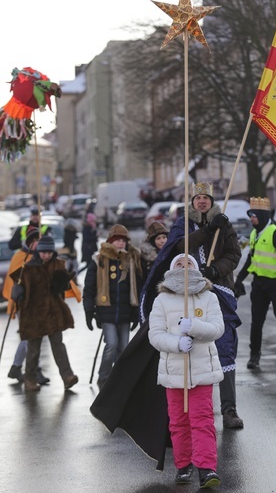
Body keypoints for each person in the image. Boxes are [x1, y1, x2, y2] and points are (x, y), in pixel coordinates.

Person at [141, 181, 244, 429]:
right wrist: (208, 231)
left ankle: (229, 408)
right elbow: (178, 247)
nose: (202, 202)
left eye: (206, 198)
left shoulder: (224, 223)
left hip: (217, 289)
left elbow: (234, 254)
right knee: (185, 345)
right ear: (192, 201)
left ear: (211, 201)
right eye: (198, 198)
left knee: (225, 346)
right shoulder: (182, 224)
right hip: (184, 292)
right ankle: (184, 408)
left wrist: (215, 270)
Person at [149, 254, 224, 488]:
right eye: (178, 265)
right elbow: (155, 335)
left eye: (188, 264)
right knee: (179, 422)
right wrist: (176, 343)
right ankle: (183, 465)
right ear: (171, 270)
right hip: (174, 373)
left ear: (196, 268)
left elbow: (217, 329)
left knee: (202, 420)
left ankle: (206, 468)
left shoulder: (208, 297)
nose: (183, 267)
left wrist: (196, 327)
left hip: (202, 371)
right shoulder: (161, 300)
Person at [234, 196, 276, 370]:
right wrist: (239, 279)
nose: (251, 218)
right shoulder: (255, 233)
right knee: (256, 323)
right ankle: (254, 357)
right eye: (250, 215)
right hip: (259, 285)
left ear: (263, 215)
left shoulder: (275, 233)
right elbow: (251, 258)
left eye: (254, 215)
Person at [9, 235, 79, 391]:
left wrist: (63, 282)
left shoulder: (57, 265)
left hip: (53, 312)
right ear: (38, 251)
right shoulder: (27, 269)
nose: (46, 255)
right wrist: (17, 291)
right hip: (34, 313)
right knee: (33, 349)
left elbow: (64, 288)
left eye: (49, 252)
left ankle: (67, 376)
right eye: (43, 252)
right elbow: (19, 287)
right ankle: (30, 379)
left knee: (58, 345)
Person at [83, 224, 144, 388]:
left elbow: (136, 288)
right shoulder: (99, 260)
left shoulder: (131, 261)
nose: (121, 243)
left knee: (123, 348)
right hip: (106, 312)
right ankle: (103, 377)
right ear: (110, 241)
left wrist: (135, 313)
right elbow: (89, 289)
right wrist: (89, 312)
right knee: (111, 345)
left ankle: (120, 378)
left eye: (123, 240)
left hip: (124, 313)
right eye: (117, 240)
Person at [4, 228, 49, 385]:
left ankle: (22, 368)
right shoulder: (21, 258)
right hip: (24, 304)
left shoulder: (40, 258)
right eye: (38, 241)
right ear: (32, 243)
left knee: (31, 338)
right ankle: (28, 369)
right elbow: (15, 283)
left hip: (37, 305)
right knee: (29, 338)